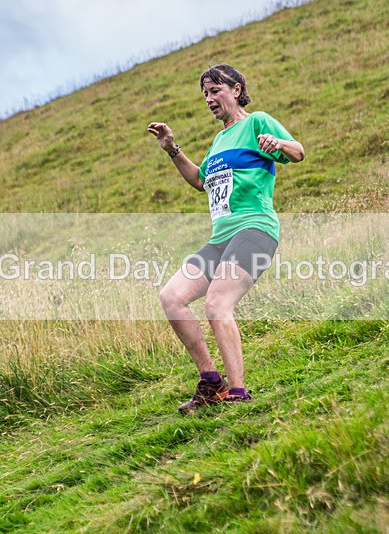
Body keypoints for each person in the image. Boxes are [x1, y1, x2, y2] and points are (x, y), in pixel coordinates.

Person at [147, 64, 305, 414]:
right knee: (171, 297)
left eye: (215, 90)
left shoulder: (257, 122)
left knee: (217, 304)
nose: (209, 98)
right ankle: (211, 383)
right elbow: (201, 182)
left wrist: (277, 143)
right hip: (220, 239)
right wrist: (172, 149)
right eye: (205, 93)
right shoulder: (219, 141)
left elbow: (298, 152)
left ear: (235, 90)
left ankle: (238, 392)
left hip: (255, 230)